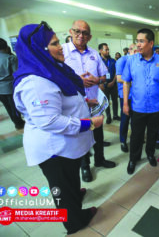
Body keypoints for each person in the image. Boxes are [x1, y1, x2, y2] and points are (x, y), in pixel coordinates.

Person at [13, 22, 103, 234]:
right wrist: (89, 124)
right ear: (38, 48)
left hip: (66, 147)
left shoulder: (51, 68)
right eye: (54, 43)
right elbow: (50, 120)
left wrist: (85, 103)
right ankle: (74, 221)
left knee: (70, 179)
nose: (61, 46)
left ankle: (73, 197)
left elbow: (63, 97)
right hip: (53, 149)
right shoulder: (35, 81)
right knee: (61, 187)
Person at [62, 20, 116, 182]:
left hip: (94, 103)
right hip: (74, 106)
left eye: (85, 33)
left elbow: (105, 76)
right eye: (77, 31)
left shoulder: (94, 54)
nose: (81, 35)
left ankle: (99, 159)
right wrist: (76, 80)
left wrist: (97, 79)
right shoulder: (62, 52)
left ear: (90, 36)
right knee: (82, 135)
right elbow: (54, 78)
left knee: (98, 133)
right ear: (70, 31)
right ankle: (85, 166)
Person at [122, 28, 159, 174]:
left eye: (141, 41)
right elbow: (126, 82)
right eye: (137, 41)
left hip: (156, 107)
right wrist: (125, 103)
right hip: (138, 107)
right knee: (136, 135)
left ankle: (150, 154)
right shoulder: (131, 61)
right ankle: (133, 159)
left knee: (152, 134)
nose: (138, 44)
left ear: (151, 43)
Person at [116, 43, 137, 153]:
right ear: (130, 50)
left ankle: (135, 138)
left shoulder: (138, 60)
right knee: (125, 118)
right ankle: (123, 140)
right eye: (136, 50)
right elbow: (119, 78)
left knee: (135, 119)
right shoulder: (122, 61)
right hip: (125, 95)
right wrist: (135, 81)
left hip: (136, 95)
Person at [0, 38, 25, 129]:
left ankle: (16, 123)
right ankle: (19, 124)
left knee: (8, 107)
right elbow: (16, 73)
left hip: (0, 90)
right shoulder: (10, 58)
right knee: (14, 107)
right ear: (6, 46)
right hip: (10, 87)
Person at [99, 43, 120, 124]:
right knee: (106, 102)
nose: (108, 51)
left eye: (108, 49)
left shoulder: (113, 61)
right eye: (106, 50)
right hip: (104, 85)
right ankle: (108, 116)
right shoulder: (98, 61)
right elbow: (97, 73)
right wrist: (104, 82)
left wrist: (113, 81)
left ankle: (115, 115)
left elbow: (116, 72)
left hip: (113, 84)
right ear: (101, 50)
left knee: (115, 100)